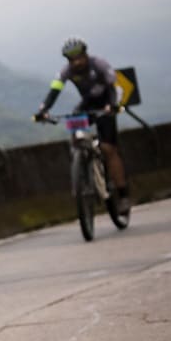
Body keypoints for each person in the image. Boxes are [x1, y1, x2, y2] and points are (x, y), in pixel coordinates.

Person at [33, 36, 130, 212]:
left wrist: (113, 105)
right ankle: (81, 167)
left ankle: (123, 194)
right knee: (76, 134)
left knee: (108, 149)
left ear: (85, 54)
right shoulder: (66, 72)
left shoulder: (98, 64)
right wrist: (43, 110)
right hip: (87, 104)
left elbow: (113, 86)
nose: (76, 62)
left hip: (106, 104)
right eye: (72, 59)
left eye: (79, 57)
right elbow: (54, 91)